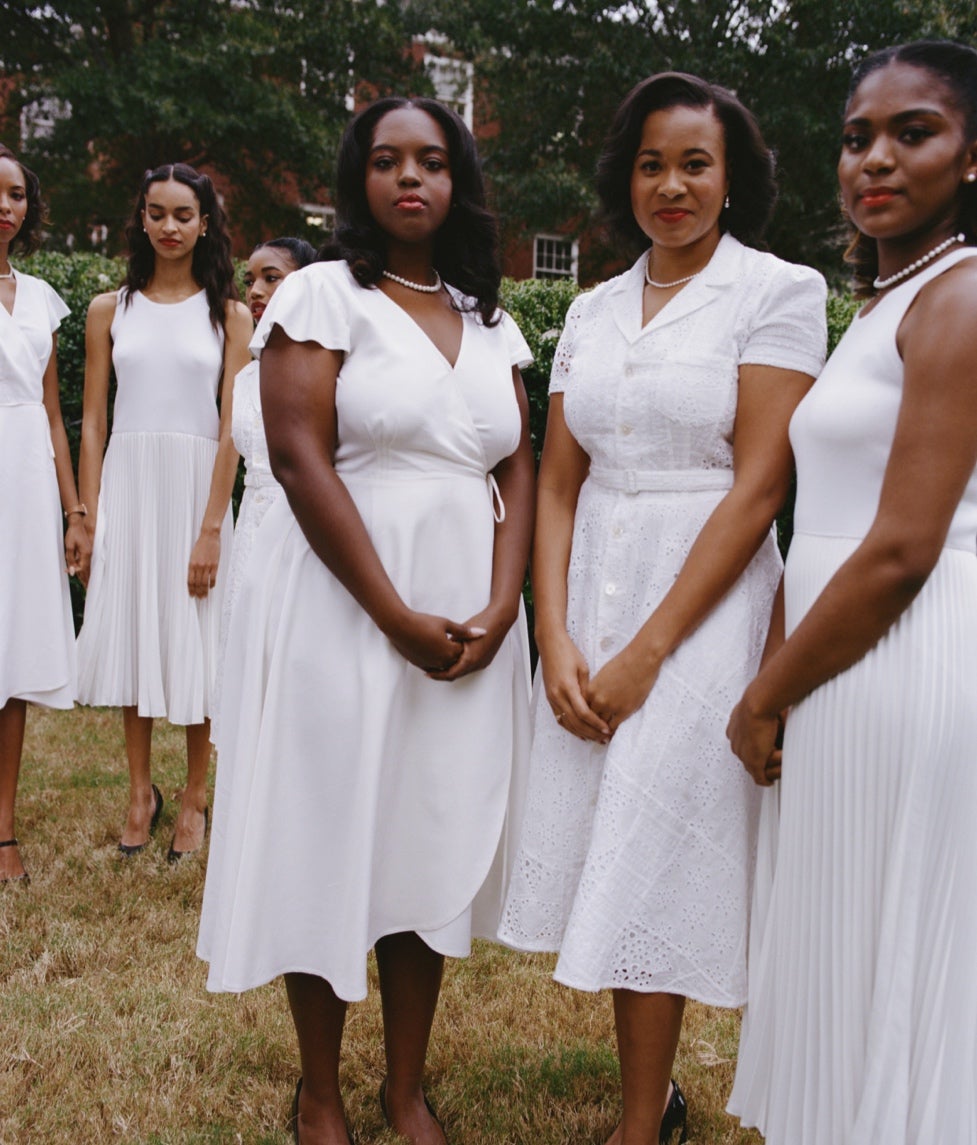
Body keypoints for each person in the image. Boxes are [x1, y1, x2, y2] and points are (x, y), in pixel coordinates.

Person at [496, 73, 827, 1145]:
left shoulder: (776, 291)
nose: (670, 184)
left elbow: (760, 484)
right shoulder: (589, 306)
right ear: (622, 177)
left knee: (657, 839)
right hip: (589, 576)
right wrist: (552, 633)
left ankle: (640, 1125)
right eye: (649, 163)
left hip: (704, 598)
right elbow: (553, 476)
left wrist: (645, 651)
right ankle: (653, 1100)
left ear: (732, 179)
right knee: (611, 842)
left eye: (694, 162)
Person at [197, 97, 534, 1145]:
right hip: (347, 605)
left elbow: (521, 466)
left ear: (457, 177)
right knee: (329, 825)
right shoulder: (317, 293)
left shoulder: (488, 313)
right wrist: (390, 610)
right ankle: (320, 1090)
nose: (409, 179)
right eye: (386, 161)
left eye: (430, 161)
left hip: (467, 618)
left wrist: (501, 599)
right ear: (359, 178)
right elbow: (296, 457)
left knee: (423, 837)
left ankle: (405, 1087)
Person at [726, 39, 977, 1145]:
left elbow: (898, 549)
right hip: (843, 662)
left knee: (896, 945)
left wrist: (758, 694)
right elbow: (820, 518)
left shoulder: (959, 302)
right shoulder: (884, 303)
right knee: (841, 931)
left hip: (905, 657)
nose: (871, 159)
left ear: (970, 156)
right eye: (852, 137)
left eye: (910, 132)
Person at [76, 163, 251, 861]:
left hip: (196, 491)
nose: (169, 226)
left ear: (205, 223)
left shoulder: (229, 315)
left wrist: (212, 527)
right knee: (137, 633)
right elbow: (92, 419)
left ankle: (194, 795)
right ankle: (140, 790)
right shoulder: (107, 309)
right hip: (128, 484)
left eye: (184, 214)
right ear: (141, 219)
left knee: (200, 642)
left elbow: (235, 426)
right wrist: (86, 514)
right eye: (157, 213)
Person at [0, 144, 92, 884]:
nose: (6, 204)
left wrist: (74, 509)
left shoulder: (41, 297)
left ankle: (3, 831)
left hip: (27, 478)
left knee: (14, 655)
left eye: (17, 194)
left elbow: (53, 414)